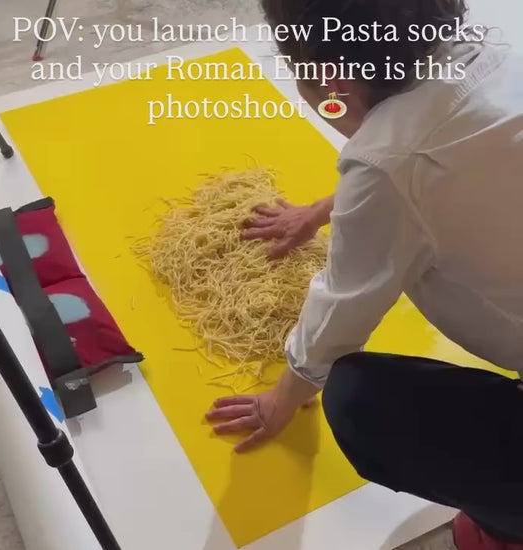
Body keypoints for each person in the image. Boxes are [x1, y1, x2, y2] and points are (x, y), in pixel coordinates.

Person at [205, 1, 523, 549]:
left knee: (358, 400)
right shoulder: (498, 61)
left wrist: (282, 398)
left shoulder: (385, 167)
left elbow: (341, 308)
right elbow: (422, 156)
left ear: (332, 82)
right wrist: (325, 209)